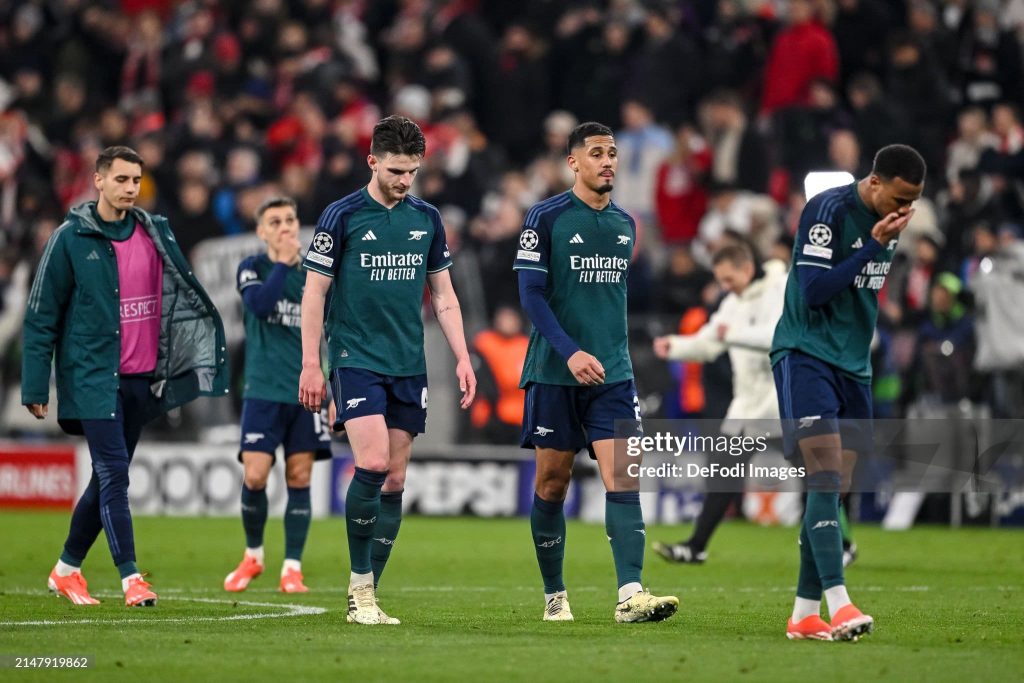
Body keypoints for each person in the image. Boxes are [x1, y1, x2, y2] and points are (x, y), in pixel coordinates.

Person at [22, 145, 229, 606]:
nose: (130, 188)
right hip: (93, 376)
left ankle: (66, 569)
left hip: (141, 379)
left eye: (136, 180)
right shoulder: (70, 238)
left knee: (107, 478)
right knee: (115, 474)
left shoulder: (155, 232)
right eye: (121, 179)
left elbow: (181, 293)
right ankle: (131, 578)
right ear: (98, 180)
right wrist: (36, 384)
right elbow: (41, 315)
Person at [298, 115, 476, 625]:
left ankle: (370, 591)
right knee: (372, 463)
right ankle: (359, 590)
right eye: (396, 170)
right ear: (372, 161)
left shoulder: (427, 218)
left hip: (407, 363)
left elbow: (443, 297)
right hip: (355, 358)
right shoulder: (342, 215)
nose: (404, 180)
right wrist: (313, 364)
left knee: (396, 479)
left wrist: (463, 356)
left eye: (412, 172)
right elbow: (314, 292)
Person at [513, 121, 679, 624]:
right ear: (574, 163)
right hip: (554, 372)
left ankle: (631, 594)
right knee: (552, 484)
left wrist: (602, 354)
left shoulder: (627, 223)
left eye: (612, 152)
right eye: (597, 153)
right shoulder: (545, 218)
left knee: (624, 477)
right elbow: (531, 296)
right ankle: (554, 594)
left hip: (613, 375)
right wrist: (569, 351)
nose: (608, 161)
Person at [771, 144, 926, 641]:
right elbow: (814, 290)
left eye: (914, 202)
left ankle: (803, 613)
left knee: (837, 489)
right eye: (899, 198)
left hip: (854, 365)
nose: (904, 209)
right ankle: (840, 604)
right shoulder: (828, 210)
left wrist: (880, 241)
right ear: (875, 182)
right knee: (824, 475)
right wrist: (870, 247)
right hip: (806, 353)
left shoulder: (891, 221)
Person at [223, 197, 335, 594]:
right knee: (254, 475)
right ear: (262, 231)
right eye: (275, 221)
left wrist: (334, 388)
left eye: (290, 219)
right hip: (262, 391)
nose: (286, 226)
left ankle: (292, 568)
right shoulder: (252, 269)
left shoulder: (316, 273)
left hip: (307, 393)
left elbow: (333, 331)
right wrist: (285, 265)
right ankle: (253, 555)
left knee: (299, 476)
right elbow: (259, 304)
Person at [651, 243, 787, 564]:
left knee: (818, 478)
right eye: (721, 281)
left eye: (729, 279)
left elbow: (779, 336)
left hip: (781, 401)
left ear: (747, 269)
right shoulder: (733, 303)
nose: (725, 288)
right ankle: (696, 546)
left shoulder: (781, 289)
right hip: (747, 406)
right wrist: (674, 346)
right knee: (722, 476)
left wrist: (733, 334)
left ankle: (841, 543)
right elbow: (709, 343)